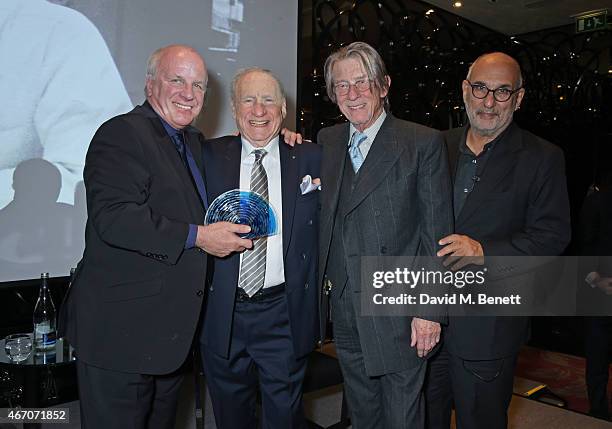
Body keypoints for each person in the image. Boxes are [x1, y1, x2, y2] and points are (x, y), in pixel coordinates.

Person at [59, 45, 252, 429]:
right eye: (176, 80)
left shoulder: (192, 142)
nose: (188, 92)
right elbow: (114, 218)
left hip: (169, 338)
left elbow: (239, 156)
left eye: (198, 85)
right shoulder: (121, 133)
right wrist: (198, 237)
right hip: (119, 335)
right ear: (150, 85)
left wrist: (281, 137)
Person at [425, 52, 571, 429]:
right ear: (464, 90)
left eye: (502, 92)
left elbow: (552, 236)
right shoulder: (433, 146)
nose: (489, 102)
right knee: (421, 418)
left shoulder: (543, 158)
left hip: (487, 328)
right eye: (480, 89)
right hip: (424, 319)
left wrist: (484, 251)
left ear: (518, 98)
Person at [318, 41, 454, 428]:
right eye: (342, 86)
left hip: (398, 309)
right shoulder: (326, 141)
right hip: (344, 307)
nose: (353, 94)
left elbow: (436, 235)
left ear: (384, 85)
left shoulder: (421, 142)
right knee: (362, 414)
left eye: (362, 82)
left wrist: (429, 312)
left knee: (402, 416)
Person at [199, 68, 321, 429]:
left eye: (269, 100)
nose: (259, 110)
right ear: (235, 110)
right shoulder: (206, 156)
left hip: (282, 312)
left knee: (284, 417)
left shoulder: (311, 157)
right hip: (223, 313)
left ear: (283, 110)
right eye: (249, 100)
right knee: (231, 416)